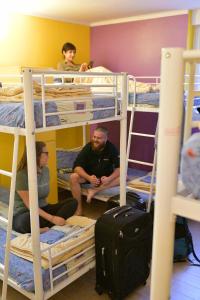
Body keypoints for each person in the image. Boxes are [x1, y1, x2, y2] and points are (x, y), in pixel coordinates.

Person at [13, 141, 77, 234]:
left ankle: (43, 227)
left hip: (43, 208)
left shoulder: (46, 170)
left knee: (73, 202)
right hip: (26, 212)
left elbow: (44, 201)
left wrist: (52, 217)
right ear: (37, 155)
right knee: (23, 222)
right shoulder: (21, 175)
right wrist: (52, 218)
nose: (48, 155)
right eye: (46, 153)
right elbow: (30, 206)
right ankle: (50, 224)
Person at [70, 127, 120, 215]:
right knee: (73, 177)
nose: (95, 140)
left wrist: (109, 178)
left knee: (124, 176)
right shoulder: (88, 147)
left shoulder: (112, 148)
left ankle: (94, 190)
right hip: (89, 176)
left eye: (99, 138)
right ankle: (78, 210)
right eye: (94, 137)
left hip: (104, 178)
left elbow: (119, 168)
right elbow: (77, 167)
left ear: (106, 139)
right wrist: (89, 178)